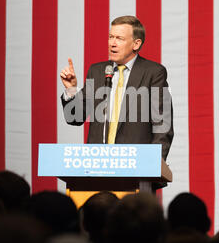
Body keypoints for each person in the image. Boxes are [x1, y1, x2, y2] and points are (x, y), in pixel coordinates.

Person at [59, 16, 174, 166]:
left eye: (119, 38)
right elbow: (75, 118)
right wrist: (71, 89)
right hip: (96, 166)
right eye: (110, 37)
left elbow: (162, 126)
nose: (112, 43)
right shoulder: (97, 71)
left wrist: (152, 164)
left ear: (136, 44)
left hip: (135, 167)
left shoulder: (153, 72)